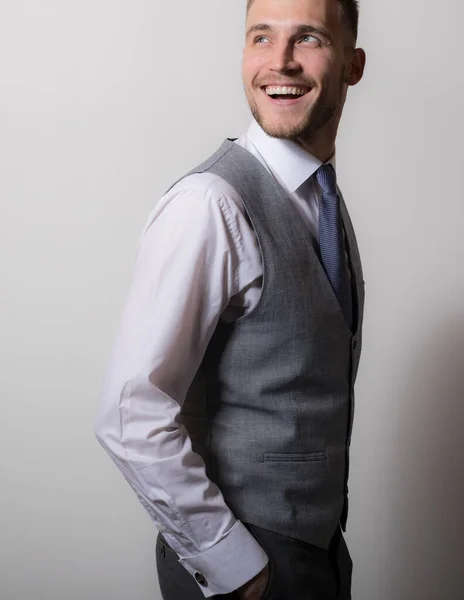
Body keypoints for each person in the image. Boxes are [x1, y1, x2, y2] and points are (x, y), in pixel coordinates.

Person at [95, 0, 366, 597]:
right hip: (248, 565)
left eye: (310, 39)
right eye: (261, 38)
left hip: (319, 551)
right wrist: (240, 568)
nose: (281, 63)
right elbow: (129, 412)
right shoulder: (210, 204)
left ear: (353, 65)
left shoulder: (322, 197)